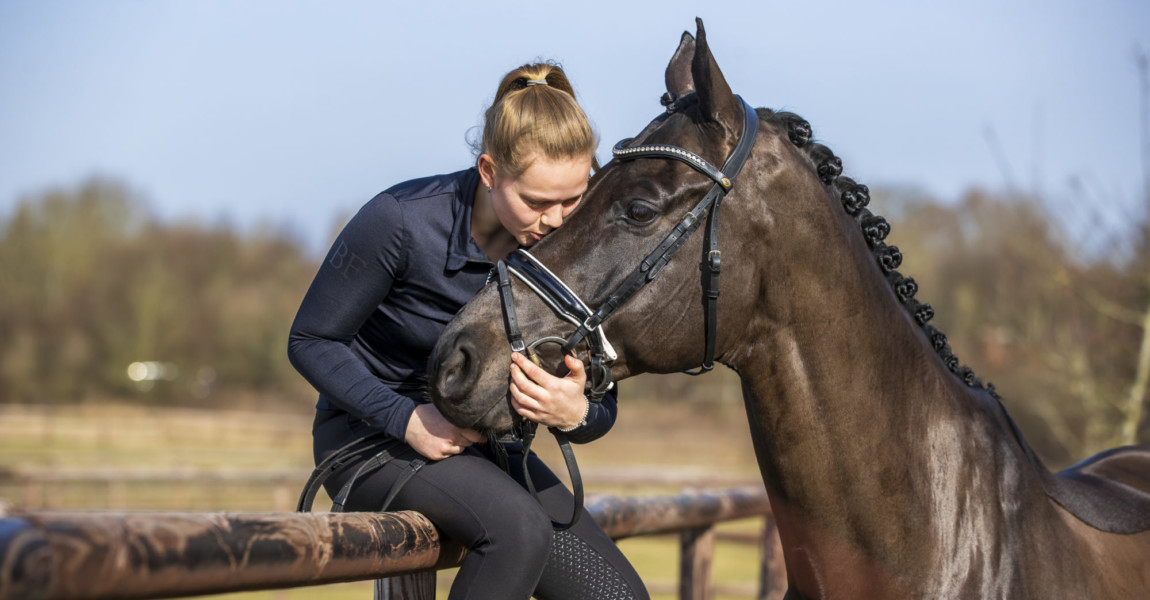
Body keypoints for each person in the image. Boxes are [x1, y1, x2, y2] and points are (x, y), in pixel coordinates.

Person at [288, 62, 649, 600]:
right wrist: (406, 419)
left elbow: (603, 403)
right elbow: (310, 341)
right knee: (517, 534)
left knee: (618, 596)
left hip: (494, 455)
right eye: (536, 202)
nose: (556, 221)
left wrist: (574, 413)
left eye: (572, 200)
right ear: (488, 171)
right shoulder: (400, 222)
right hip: (373, 441)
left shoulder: (572, 250)